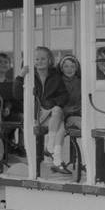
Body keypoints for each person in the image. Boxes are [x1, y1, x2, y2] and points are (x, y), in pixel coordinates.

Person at [18, 46, 69, 174]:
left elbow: (64, 96)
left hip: (51, 115)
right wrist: (20, 76)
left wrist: (50, 106)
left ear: (49, 60)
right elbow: (17, 95)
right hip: (35, 116)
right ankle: (56, 159)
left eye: (43, 59)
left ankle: (51, 149)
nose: (39, 61)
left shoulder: (55, 76)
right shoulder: (29, 76)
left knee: (58, 113)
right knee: (61, 126)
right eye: (36, 59)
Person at [59, 55, 82, 164]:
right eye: (66, 66)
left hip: (79, 113)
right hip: (65, 116)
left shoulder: (81, 82)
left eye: (72, 66)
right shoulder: (57, 82)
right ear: (61, 68)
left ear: (76, 68)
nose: (69, 69)